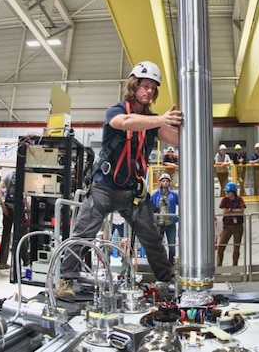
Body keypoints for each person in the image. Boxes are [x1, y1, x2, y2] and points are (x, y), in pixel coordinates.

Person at [57, 61, 182, 299]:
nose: (148, 91)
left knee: (152, 237)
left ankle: (166, 280)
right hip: (104, 187)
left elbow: (175, 139)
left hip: (131, 192)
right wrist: (161, 119)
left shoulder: (152, 121)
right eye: (144, 86)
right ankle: (66, 280)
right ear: (134, 86)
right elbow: (125, 123)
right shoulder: (116, 111)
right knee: (83, 232)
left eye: (153, 88)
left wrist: (183, 125)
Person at [150, 173, 179, 264]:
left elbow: (182, 204)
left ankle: (171, 263)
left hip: (170, 224)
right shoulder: (155, 194)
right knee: (158, 245)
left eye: (167, 181)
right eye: (163, 181)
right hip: (159, 223)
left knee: (172, 245)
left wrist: (177, 217)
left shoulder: (174, 194)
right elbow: (150, 206)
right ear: (160, 182)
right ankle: (160, 263)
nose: (165, 182)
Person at [217, 181, 247, 266]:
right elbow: (224, 211)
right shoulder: (224, 199)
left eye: (228, 191)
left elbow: (241, 210)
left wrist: (230, 210)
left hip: (238, 226)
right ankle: (219, 265)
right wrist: (234, 211)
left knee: (236, 247)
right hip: (227, 226)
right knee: (221, 246)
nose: (226, 193)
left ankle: (235, 265)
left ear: (233, 192)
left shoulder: (240, 199)